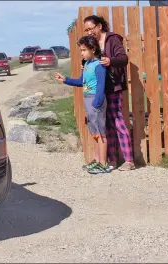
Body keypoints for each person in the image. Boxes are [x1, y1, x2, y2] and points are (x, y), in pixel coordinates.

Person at [83, 15, 135, 171]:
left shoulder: (112, 39)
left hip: (113, 87)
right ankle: (111, 160)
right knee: (105, 126)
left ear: (99, 26)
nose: (89, 32)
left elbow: (123, 59)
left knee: (118, 122)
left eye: (91, 28)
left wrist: (110, 61)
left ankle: (129, 160)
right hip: (100, 89)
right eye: (86, 30)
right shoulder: (93, 43)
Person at [54, 35, 112, 174]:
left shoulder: (99, 66)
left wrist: (97, 104)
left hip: (95, 101)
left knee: (101, 133)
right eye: (80, 50)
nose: (82, 53)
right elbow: (82, 82)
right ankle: (97, 161)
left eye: (84, 50)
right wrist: (65, 80)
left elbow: (101, 86)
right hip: (89, 100)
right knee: (94, 133)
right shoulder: (86, 64)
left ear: (93, 49)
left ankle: (103, 164)